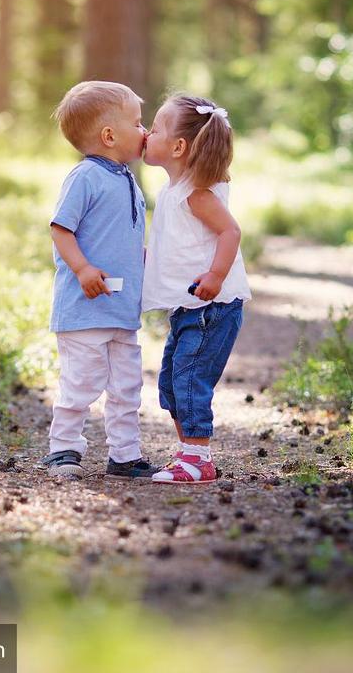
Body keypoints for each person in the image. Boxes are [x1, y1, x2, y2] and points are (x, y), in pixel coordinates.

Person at [42, 81, 160, 480]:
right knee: (80, 384)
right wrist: (83, 269)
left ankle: (125, 455)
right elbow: (61, 229)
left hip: (121, 311)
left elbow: (122, 237)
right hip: (85, 309)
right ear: (110, 136)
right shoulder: (85, 177)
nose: (146, 132)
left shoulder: (127, 178)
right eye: (139, 124)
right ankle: (63, 449)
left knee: (127, 388)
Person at [141, 94, 251, 484]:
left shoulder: (197, 193)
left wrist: (216, 276)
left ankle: (198, 459)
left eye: (153, 129)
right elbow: (179, 245)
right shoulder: (174, 191)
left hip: (212, 305)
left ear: (177, 147)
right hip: (191, 308)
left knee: (189, 379)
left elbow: (230, 231)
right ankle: (187, 453)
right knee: (172, 380)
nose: (144, 134)